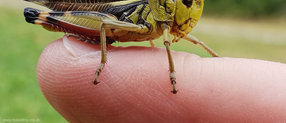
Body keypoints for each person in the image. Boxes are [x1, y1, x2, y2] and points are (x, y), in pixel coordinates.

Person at [36, 35, 286, 122]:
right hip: (102, 22)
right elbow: (107, 26)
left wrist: (219, 62)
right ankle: (100, 60)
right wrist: (103, 64)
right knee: (102, 24)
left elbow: (192, 39)